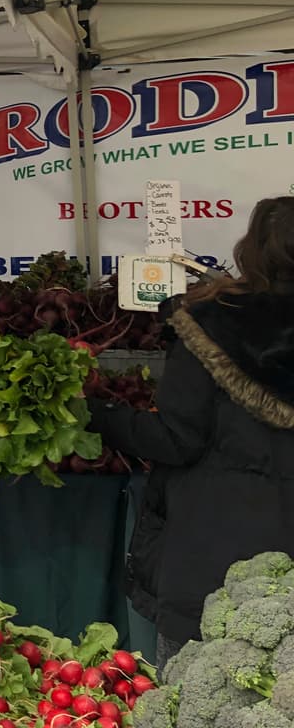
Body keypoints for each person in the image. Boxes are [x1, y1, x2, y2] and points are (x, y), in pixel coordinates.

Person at [89, 196, 294, 672]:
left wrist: (96, 415)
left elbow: (176, 439)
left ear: (252, 250)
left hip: (215, 553)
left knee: (193, 687)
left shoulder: (213, 323)